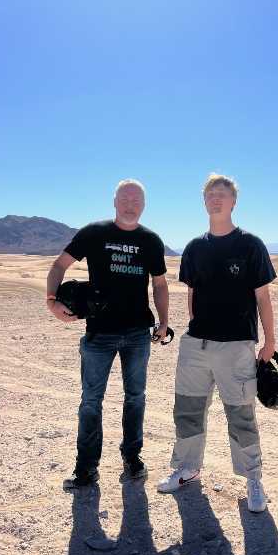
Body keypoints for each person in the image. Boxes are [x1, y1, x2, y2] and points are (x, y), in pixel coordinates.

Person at [157, 173, 277, 512]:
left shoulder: (250, 245)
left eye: (222, 193)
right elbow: (192, 294)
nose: (216, 198)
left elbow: (263, 297)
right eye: (210, 194)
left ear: (233, 202)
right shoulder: (194, 248)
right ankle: (187, 468)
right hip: (196, 346)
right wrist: (196, 329)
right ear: (204, 201)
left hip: (237, 345)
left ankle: (253, 479)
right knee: (188, 410)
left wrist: (269, 341)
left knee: (241, 414)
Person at [46, 179, 169, 487]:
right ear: (114, 202)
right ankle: (86, 467)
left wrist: (164, 321)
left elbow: (159, 284)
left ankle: (132, 457)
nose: (130, 204)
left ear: (144, 205)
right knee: (91, 400)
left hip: (138, 333)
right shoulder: (94, 233)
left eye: (136, 200)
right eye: (125, 199)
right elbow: (59, 265)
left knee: (136, 397)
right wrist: (51, 301)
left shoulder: (151, 240)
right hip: (99, 333)